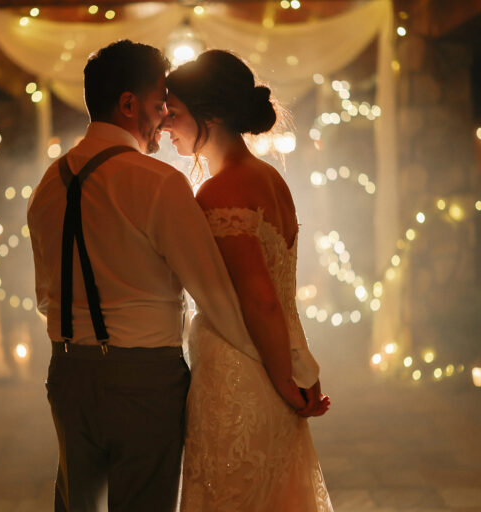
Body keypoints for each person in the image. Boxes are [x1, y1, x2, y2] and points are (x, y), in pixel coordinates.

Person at [27, 40, 268, 512]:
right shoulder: (158, 183)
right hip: (144, 380)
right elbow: (214, 293)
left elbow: (44, 297)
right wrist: (263, 367)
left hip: (68, 374)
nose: (164, 117)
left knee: (81, 505)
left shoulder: (47, 186)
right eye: (160, 103)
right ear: (128, 104)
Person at [162, 49, 334, 511]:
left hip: (241, 376)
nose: (164, 126)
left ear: (210, 115)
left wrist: (284, 385)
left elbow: (261, 301)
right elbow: (282, 296)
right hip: (275, 363)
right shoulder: (270, 178)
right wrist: (298, 371)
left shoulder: (221, 190)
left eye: (174, 113)